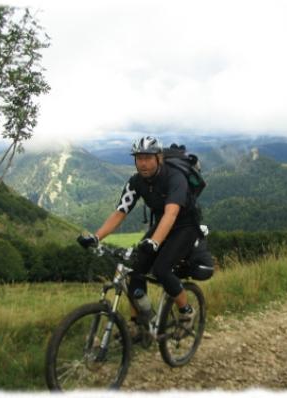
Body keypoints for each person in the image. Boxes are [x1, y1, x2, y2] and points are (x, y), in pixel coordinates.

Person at [78, 135, 201, 338]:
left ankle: (187, 311)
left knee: (162, 270)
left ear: (159, 158)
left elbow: (171, 213)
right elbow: (120, 212)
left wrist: (154, 242)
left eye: (147, 158)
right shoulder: (136, 182)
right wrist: (96, 237)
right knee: (135, 271)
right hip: (162, 224)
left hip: (185, 226)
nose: (142, 163)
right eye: (138, 158)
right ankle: (140, 322)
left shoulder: (174, 177)